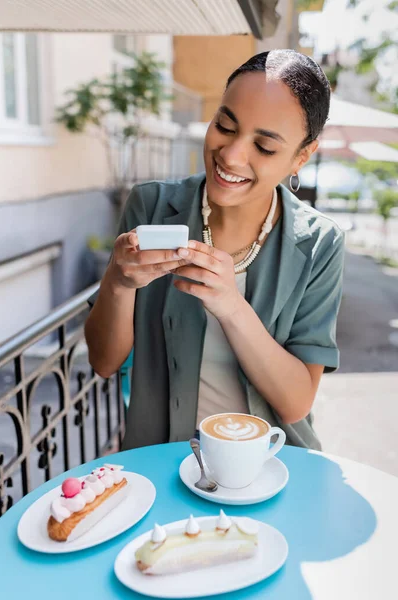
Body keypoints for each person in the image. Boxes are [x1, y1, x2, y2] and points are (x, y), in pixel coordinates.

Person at [85, 49, 344, 451]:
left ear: (301, 157)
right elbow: (104, 361)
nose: (231, 155)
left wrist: (231, 306)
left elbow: (295, 403)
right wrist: (119, 283)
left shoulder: (319, 242)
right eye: (225, 125)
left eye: (265, 146)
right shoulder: (151, 208)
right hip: (162, 463)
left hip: (272, 468)